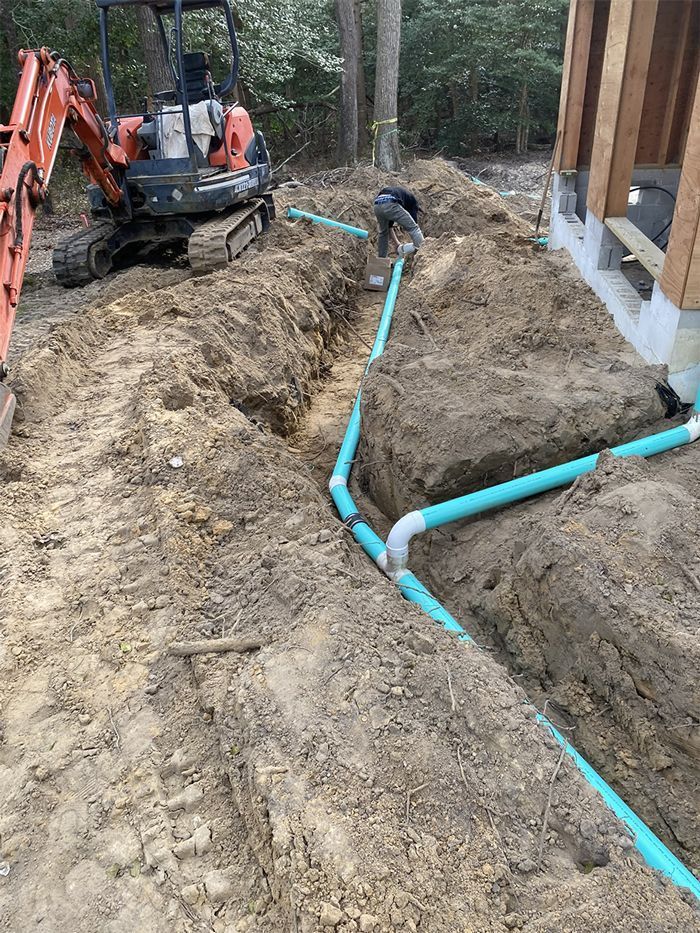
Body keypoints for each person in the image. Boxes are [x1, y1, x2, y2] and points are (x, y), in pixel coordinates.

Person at [373, 186, 425, 259]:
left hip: (377, 205)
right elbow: (413, 225)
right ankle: (423, 253)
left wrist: (397, 243)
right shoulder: (412, 203)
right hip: (391, 202)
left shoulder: (400, 194)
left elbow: (389, 227)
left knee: (383, 233)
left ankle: (381, 260)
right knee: (414, 228)